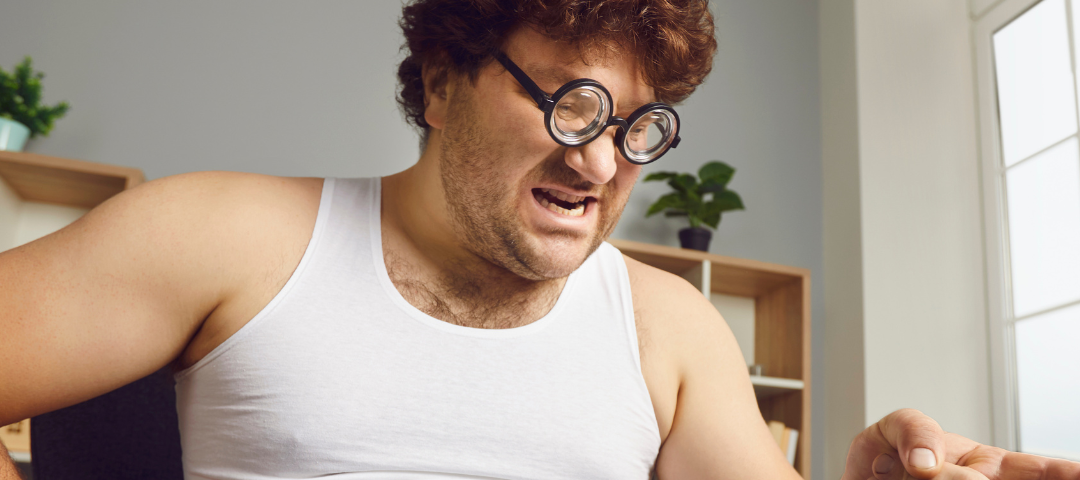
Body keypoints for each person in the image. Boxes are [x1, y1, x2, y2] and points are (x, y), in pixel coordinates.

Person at [1, 1, 1078, 479]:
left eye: (636, 128)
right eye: (570, 107)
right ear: (439, 83)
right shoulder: (221, 235)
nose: (604, 164)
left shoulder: (670, 331)